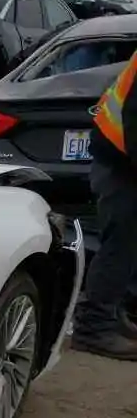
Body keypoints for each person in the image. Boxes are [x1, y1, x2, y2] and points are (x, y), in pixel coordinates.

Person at [71, 49, 137, 359]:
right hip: (120, 162)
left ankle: (114, 314)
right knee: (119, 246)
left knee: (128, 247)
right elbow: (134, 119)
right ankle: (93, 328)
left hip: (121, 158)